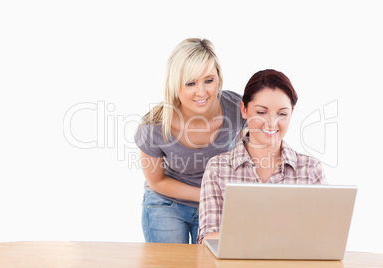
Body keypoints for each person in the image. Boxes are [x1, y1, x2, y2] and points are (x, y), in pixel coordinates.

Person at [134, 38, 247, 244]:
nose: (202, 92)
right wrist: (208, 194)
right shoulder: (153, 126)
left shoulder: (237, 109)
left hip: (216, 205)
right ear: (175, 85)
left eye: (209, 80)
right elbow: (157, 181)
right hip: (167, 203)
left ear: (219, 78)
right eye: (190, 83)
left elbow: (251, 153)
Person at [197, 69, 328, 244]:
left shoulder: (311, 169)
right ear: (244, 109)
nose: (271, 122)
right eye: (261, 112)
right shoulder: (218, 169)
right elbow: (208, 239)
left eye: (282, 113)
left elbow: (326, 237)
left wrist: (244, 235)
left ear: (292, 112)